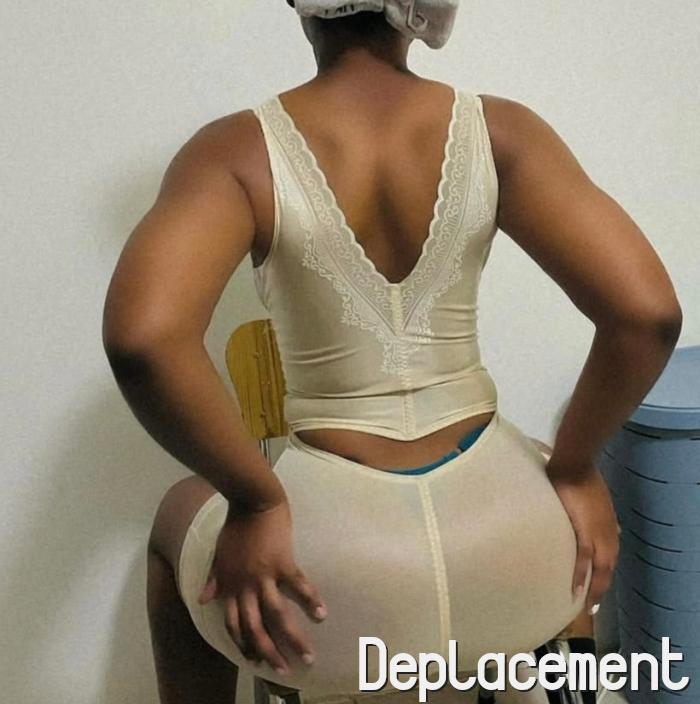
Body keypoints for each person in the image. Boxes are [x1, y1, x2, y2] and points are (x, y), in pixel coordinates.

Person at [102, 2, 683, 702]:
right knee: (539, 468)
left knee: (177, 513)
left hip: (330, 585)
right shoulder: (502, 130)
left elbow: (144, 341)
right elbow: (646, 315)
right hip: (513, 556)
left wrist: (255, 503)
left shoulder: (234, 151)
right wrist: (576, 467)